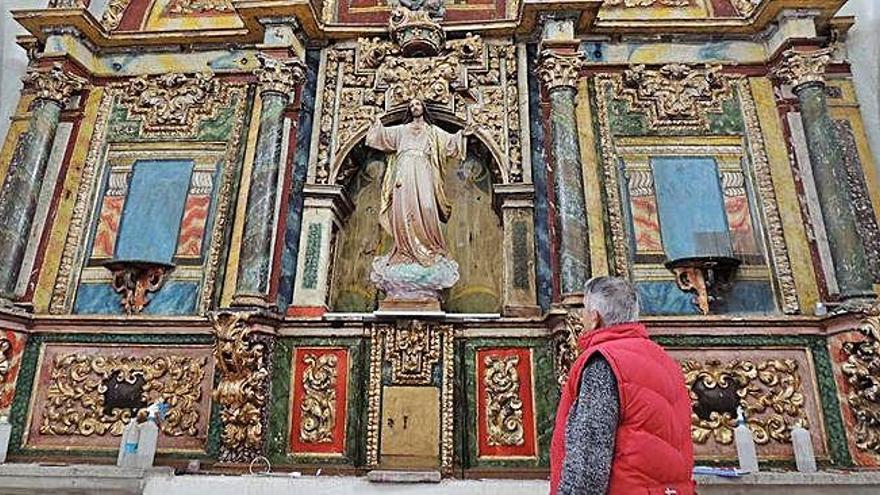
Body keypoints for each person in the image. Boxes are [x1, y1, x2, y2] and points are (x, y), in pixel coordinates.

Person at [550, 276, 695, 495]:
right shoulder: (665, 361)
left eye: (584, 310)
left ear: (594, 317)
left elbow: (588, 460)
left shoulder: (604, 362)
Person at [365, 98, 471, 267]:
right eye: (412, 105)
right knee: (403, 209)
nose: (415, 107)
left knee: (427, 206)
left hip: (424, 171)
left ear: (423, 108)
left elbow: (450, 143)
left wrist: (463, 134)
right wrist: (375, 123)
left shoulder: (433, 131)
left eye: (417, 104)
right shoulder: (401, 130)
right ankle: (404, 251)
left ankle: (430, 248)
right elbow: (383, 136)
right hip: (404, 172)